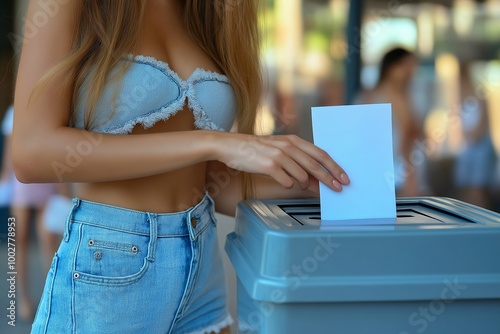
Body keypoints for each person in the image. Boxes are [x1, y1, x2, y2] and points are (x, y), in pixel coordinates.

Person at [13, 1, 350, 333]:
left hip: (201, 266)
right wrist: (213, 143)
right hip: (109, 267)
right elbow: (31, 154)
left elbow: (212, 184)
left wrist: (317, 185)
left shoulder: (205, 11)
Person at [0, 105, 59, 322]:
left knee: (48, 242)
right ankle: (22, 299)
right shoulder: (14, 112)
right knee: (20, 242)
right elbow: (9, 152)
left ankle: (48, 299)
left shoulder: (47, 108)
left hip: (44, 176)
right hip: (24, 179)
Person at [358, 48, 422, 196]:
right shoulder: (377, 97)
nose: (410, 71)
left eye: (412, 66)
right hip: (390, 171)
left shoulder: (405, 96)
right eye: (405, 65)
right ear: (391, 67)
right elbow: (404, 140)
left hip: (398, 169)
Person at [454, 64, 496, 209]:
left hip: (480, 146)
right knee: (467, 188)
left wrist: (473, 135)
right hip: (469, 145)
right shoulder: (460, 94)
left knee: (477, 189)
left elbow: (483, 120)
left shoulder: (479, 93)